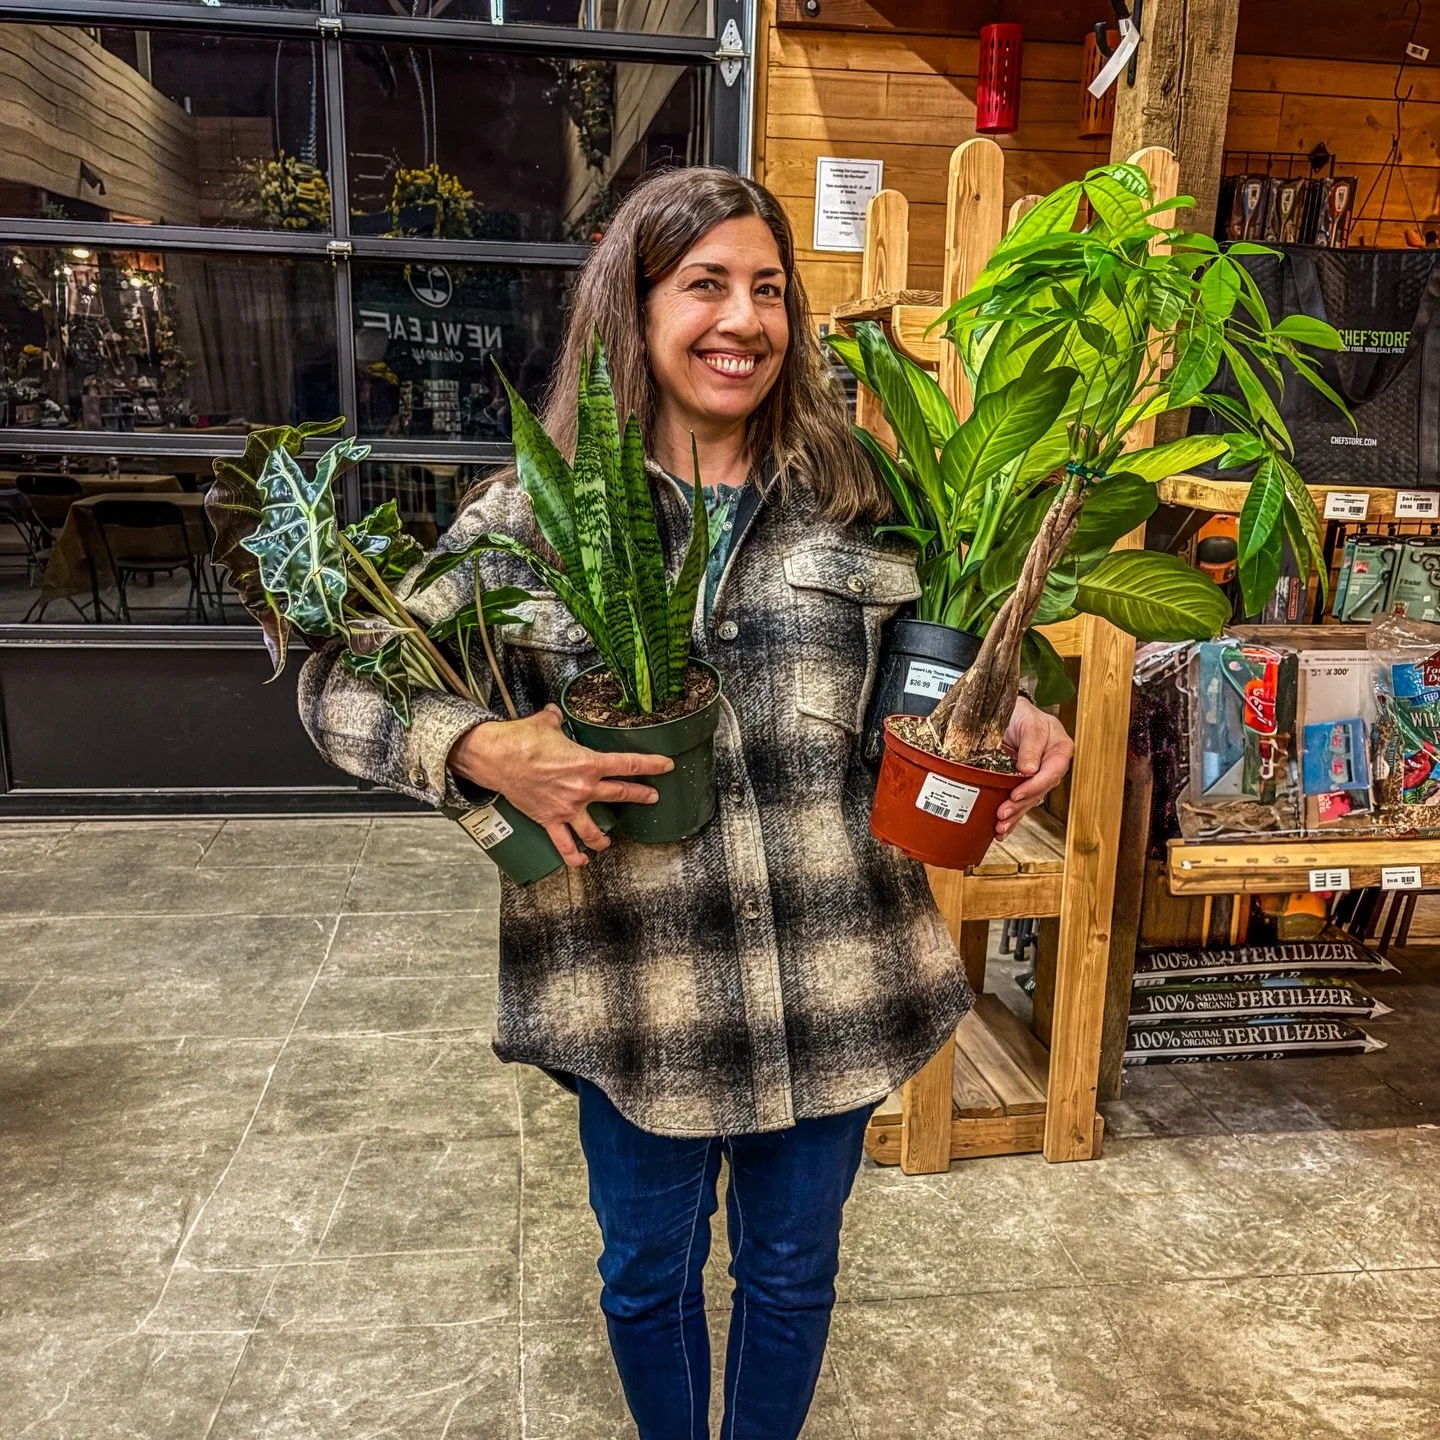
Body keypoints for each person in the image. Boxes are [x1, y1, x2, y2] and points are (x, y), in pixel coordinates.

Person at [301, 166, 1074, 1440]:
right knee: (643, 1276)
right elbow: (337, 680)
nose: (744, 320)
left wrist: (1016, 699)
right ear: (634, 308)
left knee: (792, 1274)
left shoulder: (866, 504)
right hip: (636, 993)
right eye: (705, 284)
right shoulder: (527, 521)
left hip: (834, 974)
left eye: (769, 290)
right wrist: (482, 746)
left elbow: (942, 668)